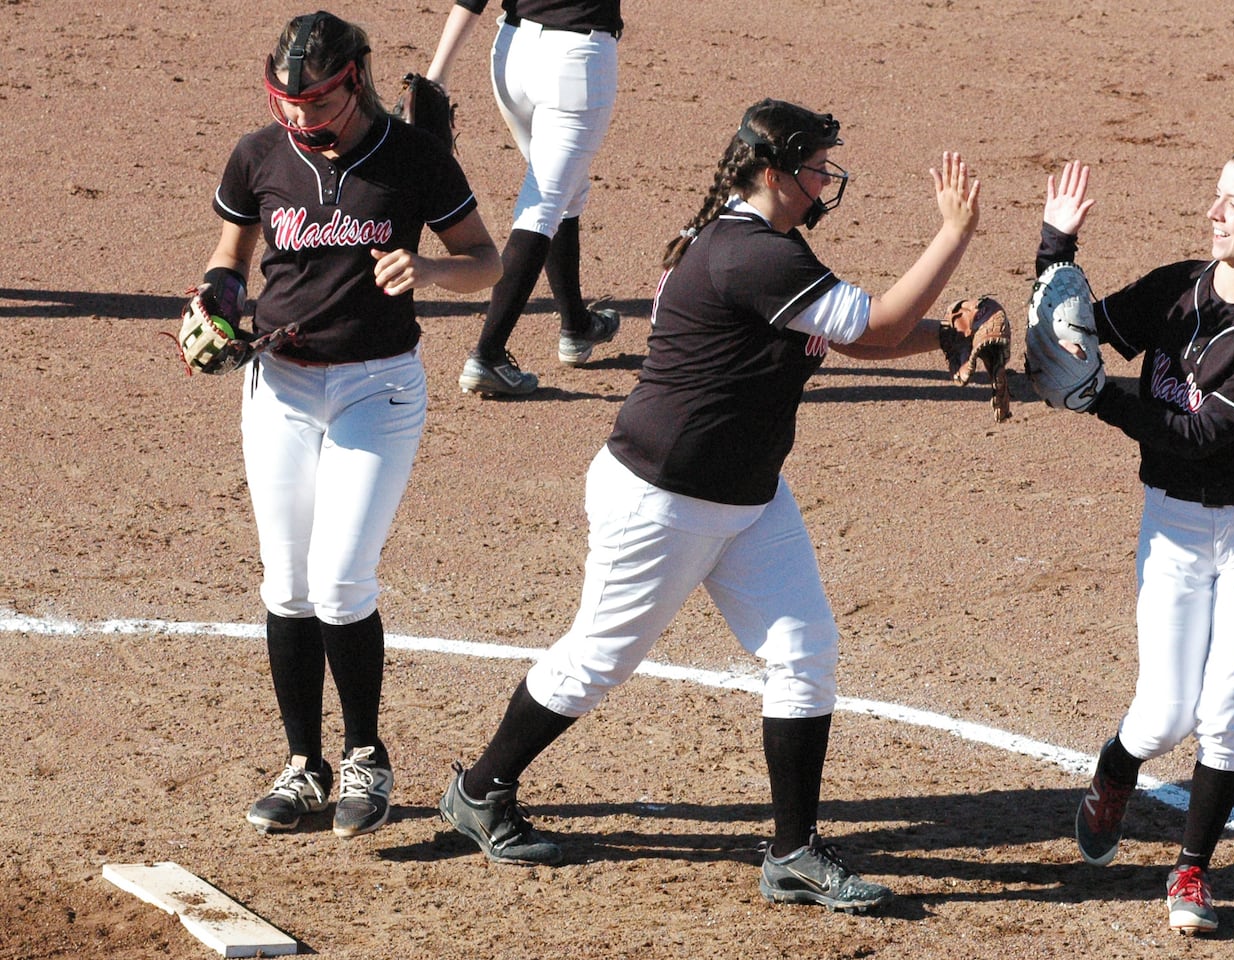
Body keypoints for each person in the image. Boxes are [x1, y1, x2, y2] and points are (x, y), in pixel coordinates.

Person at [436, 98, 981, 911]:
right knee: (597, 661)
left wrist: (944, 336)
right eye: (817, 164)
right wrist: (953, 235)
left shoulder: (766, 246)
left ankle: (792, 852)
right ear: (773, 171)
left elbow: (855, 334)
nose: (828, 177)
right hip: (665, 496)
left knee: (803, 651)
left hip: (745, 494)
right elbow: (875, 320)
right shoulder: (748, 255)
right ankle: (479, 790)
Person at [199, 11, 501, 838]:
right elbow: (230, 255)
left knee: (340, 580)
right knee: (287, 586)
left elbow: (488, 260)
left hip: (378, 390)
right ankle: (304, 765)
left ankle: (367, 753)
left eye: (317, 102)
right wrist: (218, 302)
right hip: (280, 390)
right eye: (284, 101)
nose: (299, 116)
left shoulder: (413, 157)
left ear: (356, 80)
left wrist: (431, 267)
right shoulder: (259, 154)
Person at [1038, 153, 1234, 933]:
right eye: (1214, 197)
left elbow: (1202, 433)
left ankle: (1190, 872)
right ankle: (1115, 768)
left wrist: (1101, 397)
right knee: (1165, 715)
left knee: (1226, 714)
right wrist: (1054, 248)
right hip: (1171, 523)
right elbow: (1075, 326)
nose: (1213, 212)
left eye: (1233, 204)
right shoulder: (1177, 284)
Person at [424, 0, 624, 396]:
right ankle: (488, 354)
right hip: (577, 63)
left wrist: (437, 76)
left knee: (565, 189)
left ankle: (576, 327)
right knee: (544, 203)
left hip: (513, 54)